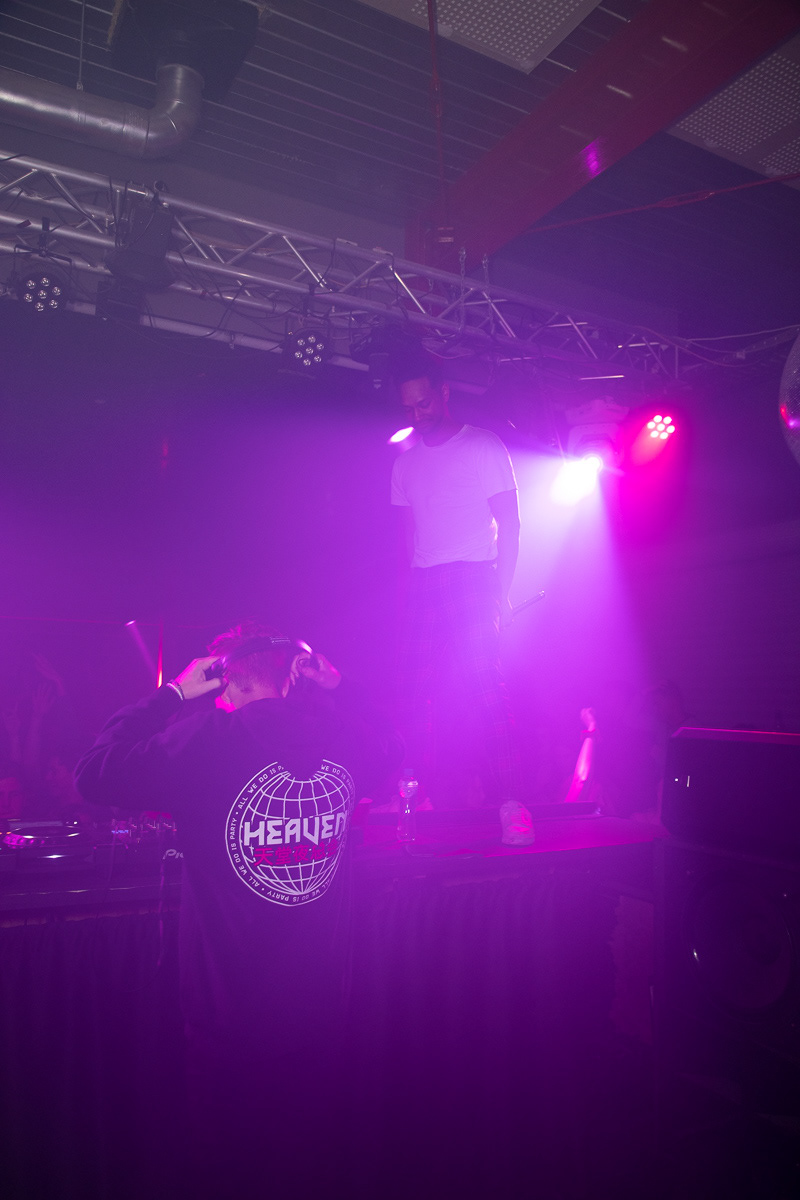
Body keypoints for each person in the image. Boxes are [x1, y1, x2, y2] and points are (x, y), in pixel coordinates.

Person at [75, 620, 403, 1196]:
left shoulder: (204, 741)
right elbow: (396, 748)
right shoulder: (343, 736)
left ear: (225, 680)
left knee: (228, 1168)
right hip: (321, 1007)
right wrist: (341, 685)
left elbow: (94, 775)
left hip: (228, 1015)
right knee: (308, 1165)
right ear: (295, 672)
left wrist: (173, 694)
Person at [390, 354, 534, 845]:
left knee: (485, 689)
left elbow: (511, 525)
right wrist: (410, 592)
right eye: (408, 408)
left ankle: (512, 803)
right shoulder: (404, 464)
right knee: (411, 692)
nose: (417, 414)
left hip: (474, 577)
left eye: (424, 403)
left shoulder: (482, 445)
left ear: (444, 393)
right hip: (424, 582)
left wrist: (502, 595)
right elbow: (408, 539)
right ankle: (412, 796)